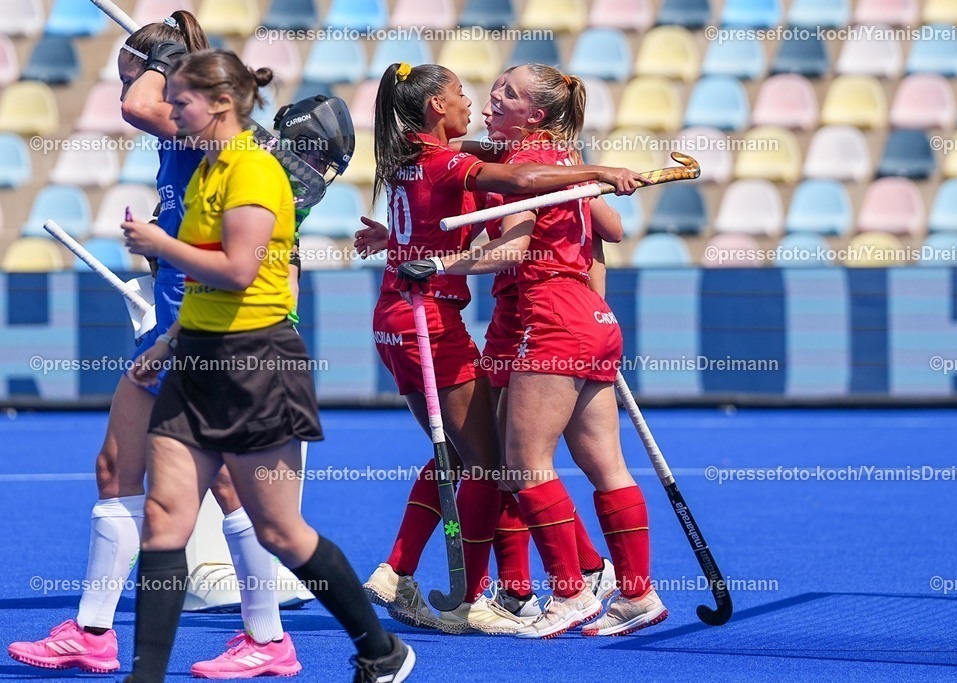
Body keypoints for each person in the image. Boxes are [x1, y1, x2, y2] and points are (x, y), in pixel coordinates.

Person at [7, 13, 306, 679]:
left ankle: (269, 637)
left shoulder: (191, 130)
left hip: (204, 337)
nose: (134, 100)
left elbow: (138, 101)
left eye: (139, 78)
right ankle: (93, 630)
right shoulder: (182, 140)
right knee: (118, 466)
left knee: (235, 491)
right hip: (167, 331)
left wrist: (157, 58)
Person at [117, 49, 412, 683]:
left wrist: (157, 244)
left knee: (281, 532)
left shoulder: (254, 171)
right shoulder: (210, 169)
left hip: (254, 361)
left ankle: (381, 649)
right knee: (164, 518)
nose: (171, 110)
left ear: (220, 104)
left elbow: (239, 270)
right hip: (196, 356)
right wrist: (169, 344)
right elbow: (201, 280)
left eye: (181, 99)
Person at [358, 62, 646, 635]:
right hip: (443, 316)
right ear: (437, 108)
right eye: (467, 94)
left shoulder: (421, 157)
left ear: (533, 112)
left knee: (485, 459)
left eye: (499, 94)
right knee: (494, 461)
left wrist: (407, 246)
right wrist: (595, 170)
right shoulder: (465, 160)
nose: (480, 102)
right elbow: (534, 198)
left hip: (430, 315)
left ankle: (499, 586)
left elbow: (528, 213)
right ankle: (517, 588)